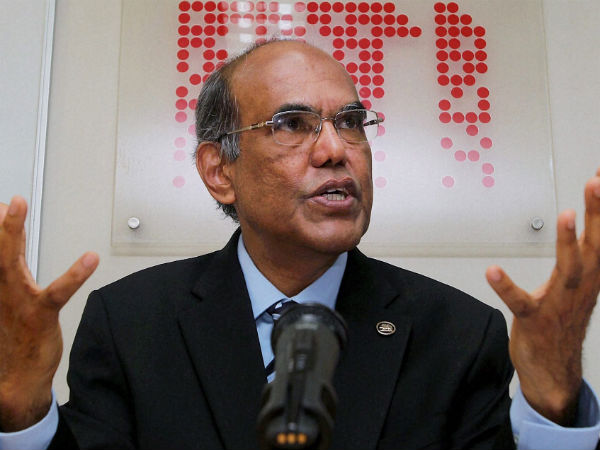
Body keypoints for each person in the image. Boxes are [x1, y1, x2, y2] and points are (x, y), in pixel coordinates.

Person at [0, 39, 599, 449]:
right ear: (220, 171)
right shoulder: (131, 323)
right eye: (292, 124)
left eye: (351, 122)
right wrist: (21, 409)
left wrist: (553, 400)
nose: (336, 149)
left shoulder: (459, 334)